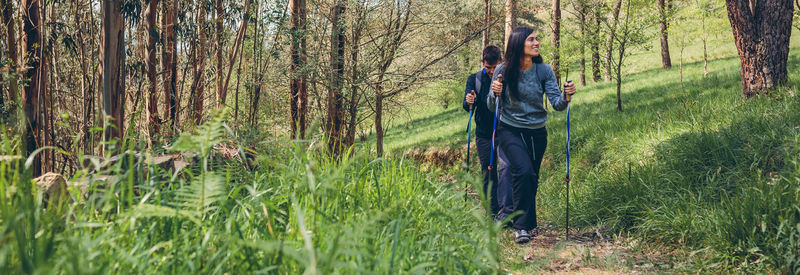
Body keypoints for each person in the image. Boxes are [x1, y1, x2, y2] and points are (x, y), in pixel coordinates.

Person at [488, 26, 577, 244]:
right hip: (510, 129)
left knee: (532, 178)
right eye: (531, 40)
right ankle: (521, 227)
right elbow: (491, 106)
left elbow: (557, 104)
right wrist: (494, 92)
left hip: (537, 132)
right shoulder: (503, 69)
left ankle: (529, 222)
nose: (536, 43)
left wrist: (566, 96)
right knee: (523, 171)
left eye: (537, 39)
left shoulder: (543, 70)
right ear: (519, 44)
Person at [463, 45, 511, 219]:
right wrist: (470, 100)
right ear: (482, 63)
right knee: (487, 170)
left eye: (494, 66)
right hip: (483, 133)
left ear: (501, 62)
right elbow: (466, 105)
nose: (491, 71)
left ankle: (504, 209)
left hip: (504, 131)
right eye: (487, 67)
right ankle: (491, 210)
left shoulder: (506, 78)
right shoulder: (474, 79)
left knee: (505, 170)